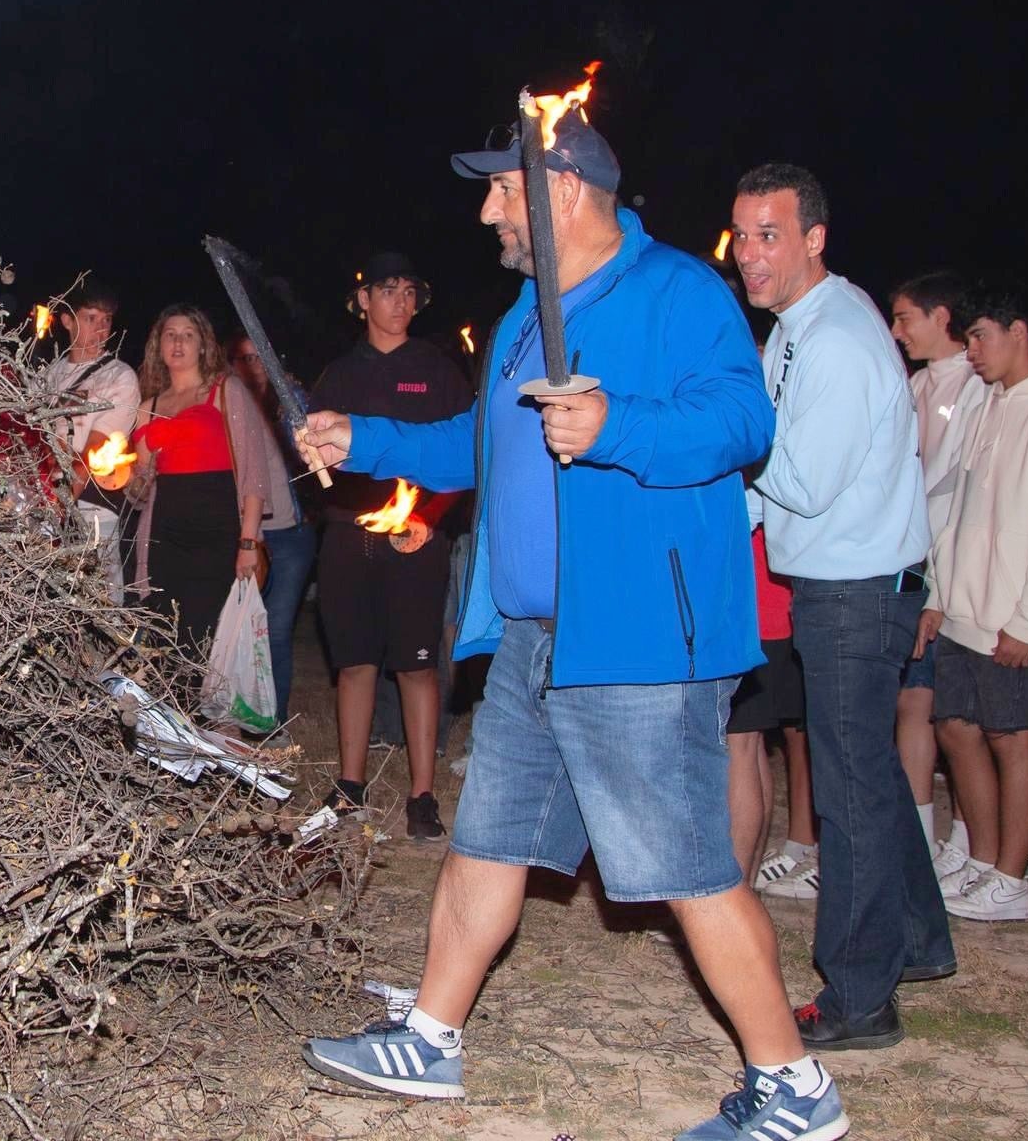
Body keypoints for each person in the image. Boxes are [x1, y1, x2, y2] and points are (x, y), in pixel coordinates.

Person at [300, 111, 848, 1141]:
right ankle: (430, 1035)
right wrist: (361, 436)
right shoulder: (521, 315)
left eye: (500, 188)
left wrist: (615, 427)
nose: (484, 208)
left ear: (559, 192)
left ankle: (793, 1090)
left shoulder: (677, 291)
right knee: (488, 840)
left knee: (685, 866)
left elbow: (743, 424)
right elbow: (479, 452)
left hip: (637, 638)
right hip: (532, 636)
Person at [733, 162, 953, 1049]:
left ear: (815, 238)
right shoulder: (795, 328)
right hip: (839, 585)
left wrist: (716, 456)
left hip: (854, 593)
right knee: (867, 775)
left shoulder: (836, 339)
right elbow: (773, 486)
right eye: (742, 234)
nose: (749, 253)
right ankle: (922, 940)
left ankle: (861, 997)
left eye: (770, 234)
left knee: (848, 791)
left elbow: (801, 481)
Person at [918, 282, 1028, 922]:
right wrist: (939, 592)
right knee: (956, 730)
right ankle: (981, 859)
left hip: (1016, 617)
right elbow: (958, 508)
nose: (971, 352)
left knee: (1013, 738)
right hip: (966, 607)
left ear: (1018, 331)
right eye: (967, 340)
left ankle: (1012, 879)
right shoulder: (991, 407)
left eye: (980, 337)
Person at [311, 253, 472, 837]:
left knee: (416, 665)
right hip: (349, 534)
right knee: (354, 661)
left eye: (410, 291)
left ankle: (422, 794)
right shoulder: (338, 375)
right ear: (362, 301)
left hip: (416, 535)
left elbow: (466, 456)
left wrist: (429, 517)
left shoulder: (437, 369)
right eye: (387, 290)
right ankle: (350, 786)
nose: (401, 302)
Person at [887, 270, 991, 881]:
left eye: (906, 318)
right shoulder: (917, 383)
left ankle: (968, 842)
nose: (897, 332)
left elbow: (951, 485)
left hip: (944, 566)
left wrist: (937, 579)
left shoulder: (974, 388)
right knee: (914, 701)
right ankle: (922, 836)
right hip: (910, 560)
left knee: (950, 712)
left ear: (942, 316)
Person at [128, 306, 273, 660]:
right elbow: (140, 491)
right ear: (158, 345)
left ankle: (206, 716)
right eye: (170, 334)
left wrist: (249, 542)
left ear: (203, 345)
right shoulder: (147, 407)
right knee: (167, 638)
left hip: (217, 533)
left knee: (209, 640)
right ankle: (173, 715)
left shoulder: (226, 391)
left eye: (188, 334)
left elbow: (254, 471)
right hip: (166, 535)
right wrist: (123, 476)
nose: (178, 342)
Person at [228, 334, 317, 744]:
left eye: (258, 356)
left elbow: (313, 444)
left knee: (277, 630)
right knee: (241, 627)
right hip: (249, 532)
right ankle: (237, 716)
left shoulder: (287, 397)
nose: (253, 364)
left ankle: (273, 722)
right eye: (243, 358)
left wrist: (288, 396)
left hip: (292, 532)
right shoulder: (229, 401)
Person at [33, 281, 139, 605]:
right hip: (44, 500)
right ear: (67, 320)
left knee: (99, 603)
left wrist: (57, 512)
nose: (100, 329)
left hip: (91, 507)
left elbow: (93, 452)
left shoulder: (118, 376)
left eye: (106, 320)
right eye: (91, 318)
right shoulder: (48, 375)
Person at [731, 525, 813, 894]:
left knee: (738, 746)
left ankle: (730, 894)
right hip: (760, 601)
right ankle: (739, 887)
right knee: (747, 745)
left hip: (754, 604)